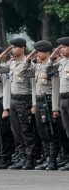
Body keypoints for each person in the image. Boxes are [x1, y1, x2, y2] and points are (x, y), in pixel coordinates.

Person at [0, 38, 37, 170]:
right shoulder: (11, 64)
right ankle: (22, 157)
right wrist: (2, 54)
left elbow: (34, 86)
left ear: (23, 48)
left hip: (25, 101)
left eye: (16, 47)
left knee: (26, 130)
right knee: (16, 131)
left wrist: (33, 104)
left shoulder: (29, 63)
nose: (13, 50)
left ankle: (30, 159)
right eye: (12, 47)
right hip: (14, 101)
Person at [21, 40, 60, 170]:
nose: (36, 54)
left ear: (46, 52)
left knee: (51, 132)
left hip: (48, 102)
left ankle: (53, 161)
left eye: (38, 52)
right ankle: (47, 158)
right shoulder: (37, 66)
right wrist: (27, 60)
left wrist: (55, 108)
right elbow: (24, 72)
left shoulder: (53, 66)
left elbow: (55, 88)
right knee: (42, 132)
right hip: (39, 102)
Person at [46, 37, 69, 171]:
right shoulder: (62, 63)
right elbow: (48, 70)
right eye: (59, 48)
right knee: (67, 130)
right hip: (63, 99)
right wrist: (53, 57)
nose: (61, 50)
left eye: (63, 47)